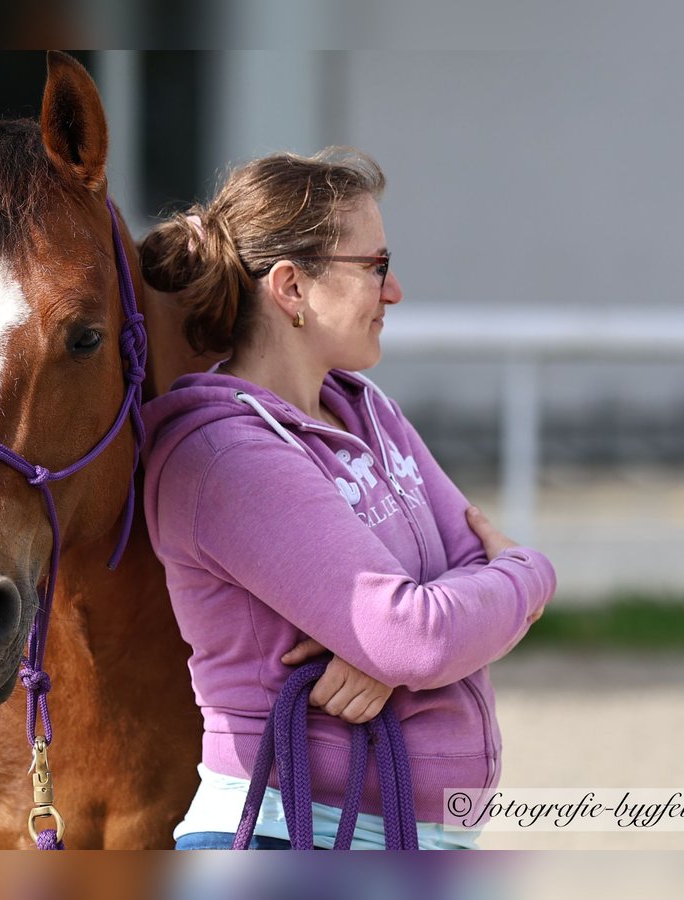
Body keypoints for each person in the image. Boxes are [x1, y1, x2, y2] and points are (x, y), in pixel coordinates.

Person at [137, 148, 556, 850]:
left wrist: (393, 646)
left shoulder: (366, 409)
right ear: (292, 289)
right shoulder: (225, 456)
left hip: (386, 838)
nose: (393, 292)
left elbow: (418, 624)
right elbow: (422, 635)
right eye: (375, 268)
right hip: (294, 834)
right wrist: (531, 574)